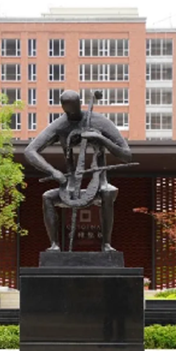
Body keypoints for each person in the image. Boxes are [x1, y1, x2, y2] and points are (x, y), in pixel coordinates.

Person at [24, 90, 132, 252]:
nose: (72, 114)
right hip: (70, 185)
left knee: (107, 193)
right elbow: (30, 151)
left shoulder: (100, 121)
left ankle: (106, 244)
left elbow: (127, 155)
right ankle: (54, 245)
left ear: (80, 104)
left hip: (100, 182)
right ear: (63, 108)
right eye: (68, 111)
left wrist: (101, 139)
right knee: (47, 197)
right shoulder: (60, 125)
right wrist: (52, 171)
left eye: (74, 109)